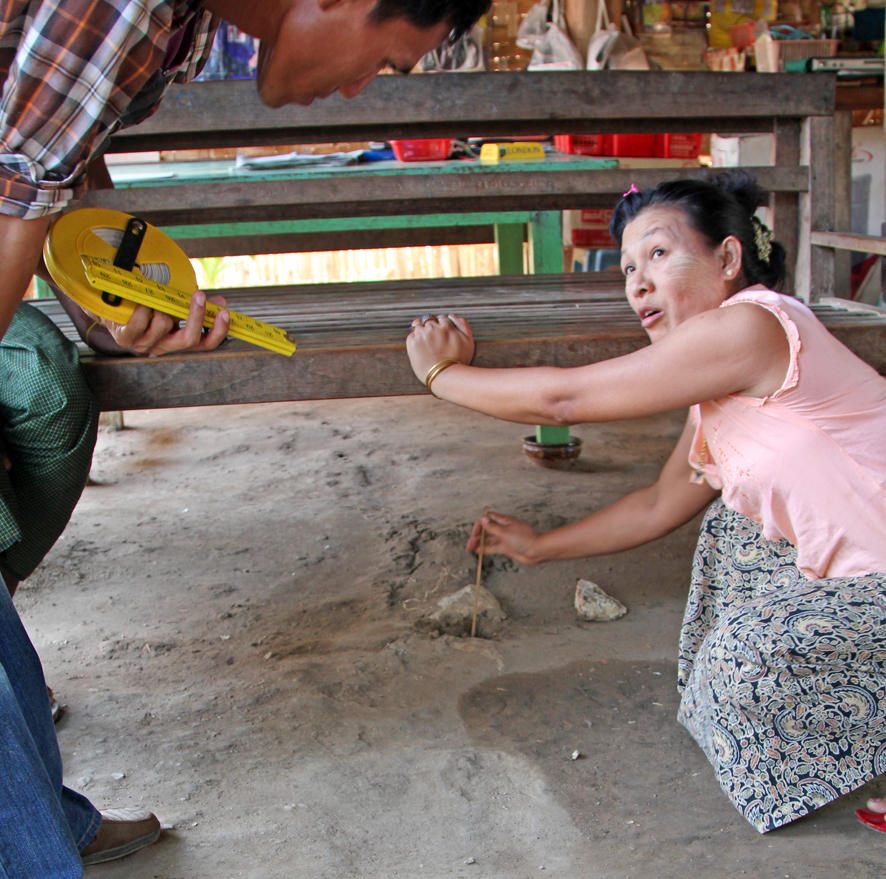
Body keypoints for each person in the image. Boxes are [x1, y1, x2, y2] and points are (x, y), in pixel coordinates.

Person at [0, 0, 489, 872]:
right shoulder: (128, 5)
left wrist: (109, 305)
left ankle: (42, 819)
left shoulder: (173, 29)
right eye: (383, 57)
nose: (355, 86)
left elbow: (55, 165)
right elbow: (15, 194)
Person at [405, 171, 886, 834]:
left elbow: (563, 400)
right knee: (729, 529)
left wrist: (442, 375)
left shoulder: (752, 326)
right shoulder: (714, 393)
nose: (636, 280)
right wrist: (540, 545)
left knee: (742, 652)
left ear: (727, 258)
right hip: (865, 579)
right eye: (627, 265)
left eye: (659, 253)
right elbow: (661, 502)